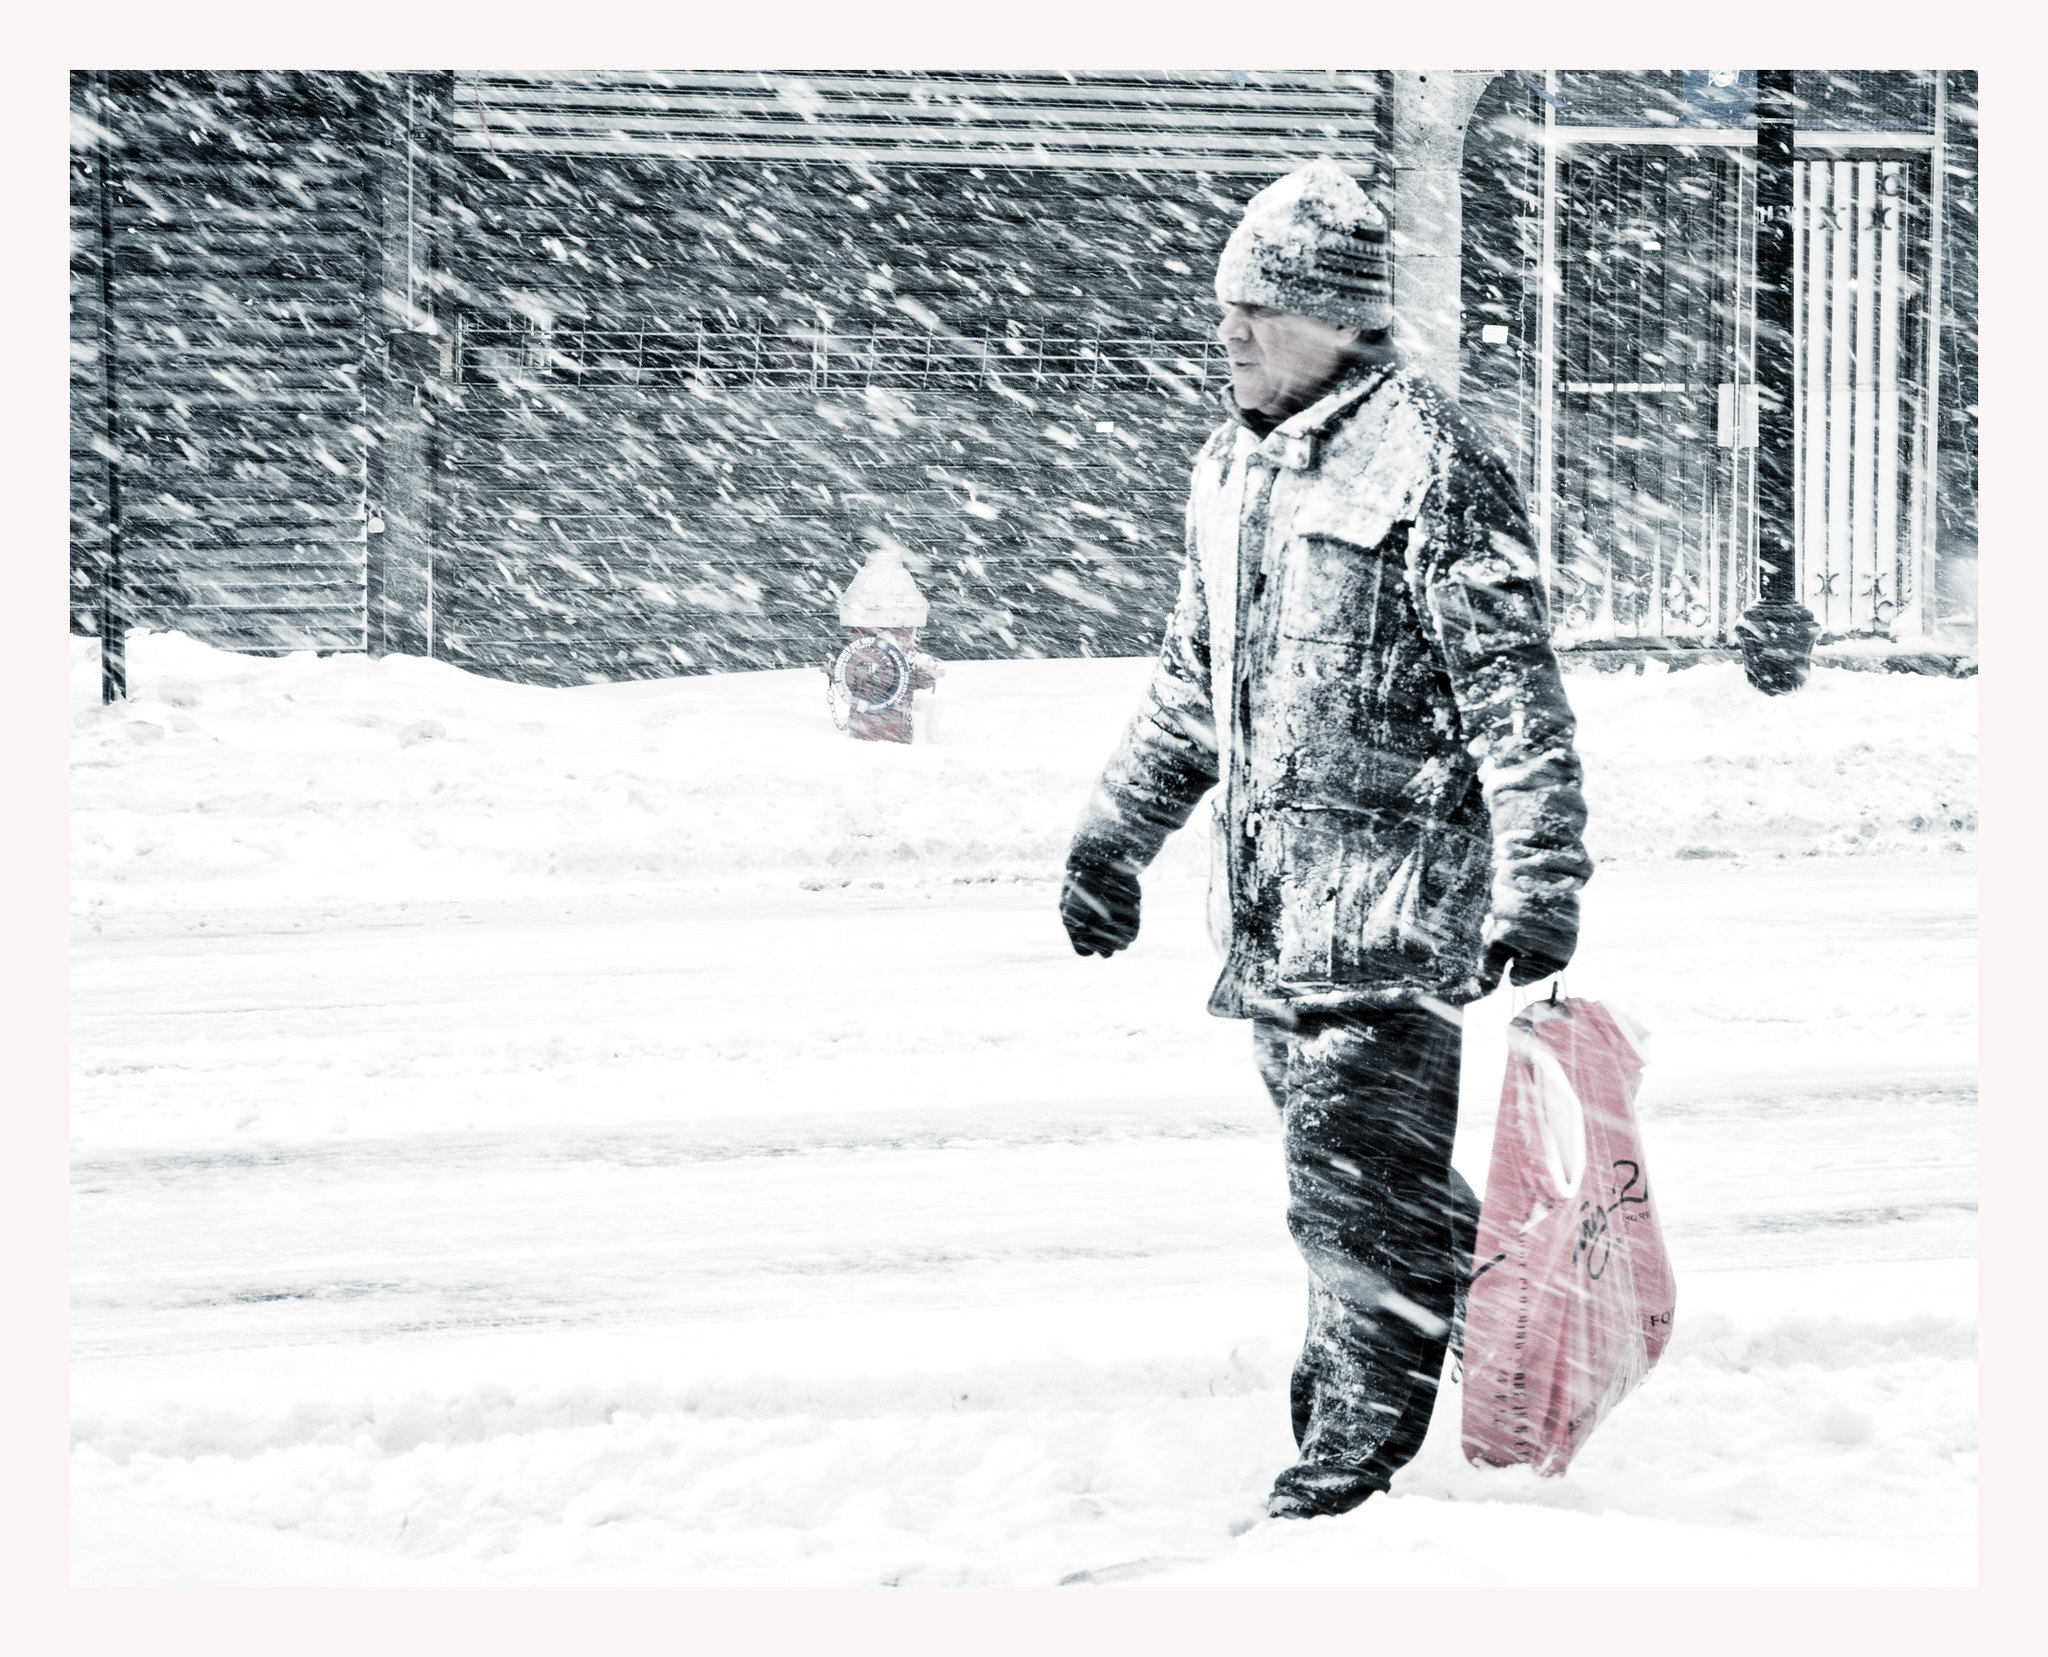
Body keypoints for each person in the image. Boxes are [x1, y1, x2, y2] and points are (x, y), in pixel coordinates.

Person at [1059, 159, 1593, 1521]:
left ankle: (1343, 1479)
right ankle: (1530, 1327)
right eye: (1226, 307)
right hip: (1274, 922)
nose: (1230, 331)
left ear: (1344, 320)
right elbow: (1194, 686)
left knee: (1348, 1207)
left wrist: (1539, 879)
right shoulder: (1230, 469)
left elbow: (1514, 699)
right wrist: (1112, 841)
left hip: (1395, 917)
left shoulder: (1434, 467)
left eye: (1263, 309)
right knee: (1370, 1189)